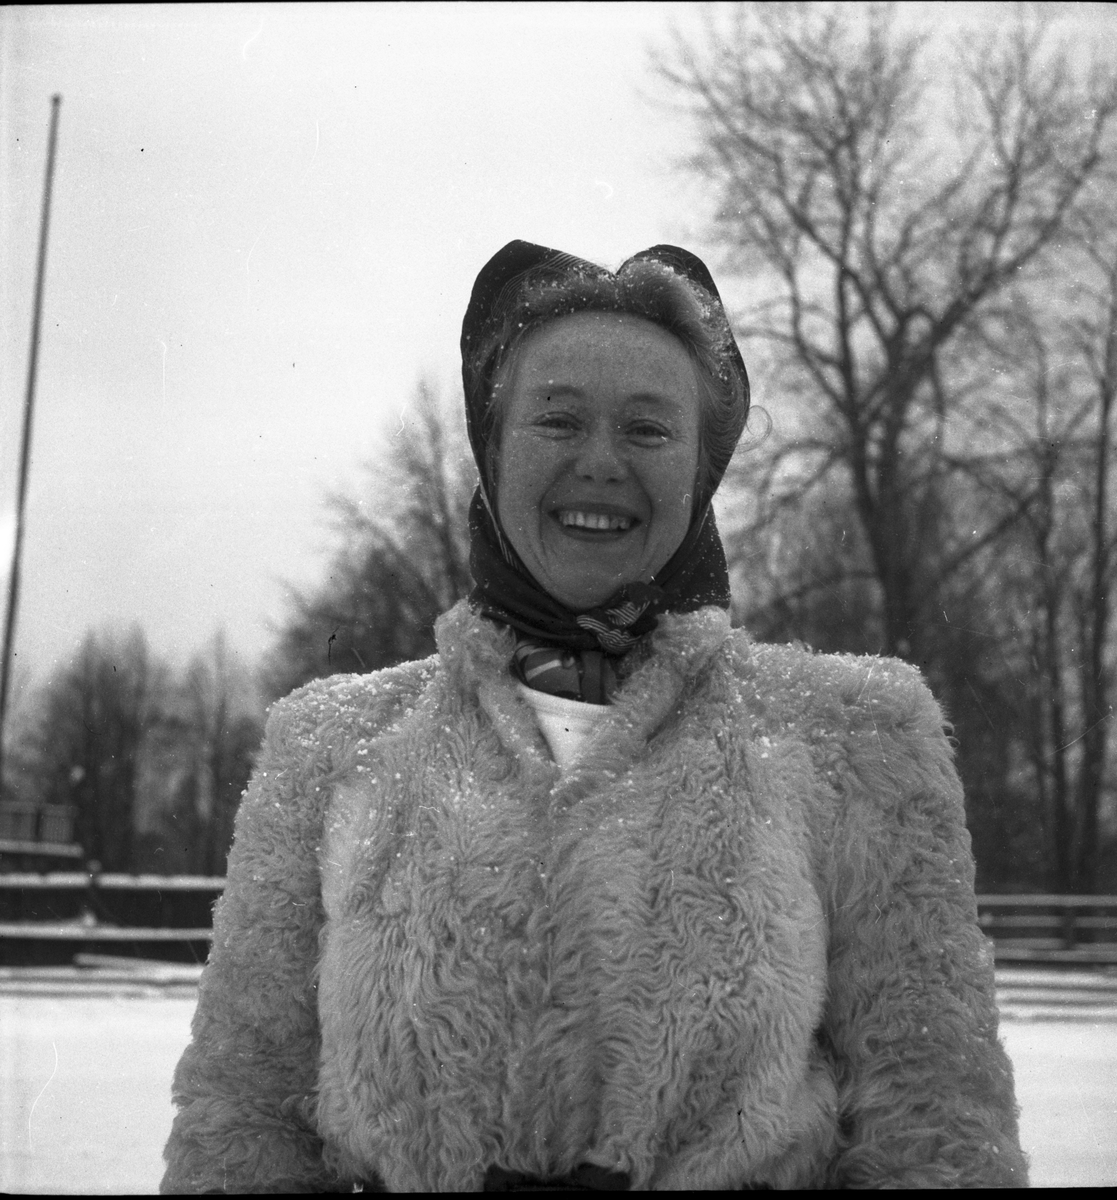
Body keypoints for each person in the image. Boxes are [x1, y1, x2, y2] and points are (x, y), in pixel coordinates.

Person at [161, 241, 1027, 1192]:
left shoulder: (858, 737)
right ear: (494, 451)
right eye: (558, 419)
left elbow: (936, 1132)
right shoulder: (328, 746)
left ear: (701, 469)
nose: (601, 463)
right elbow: (240, 1122)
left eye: (647, 429)